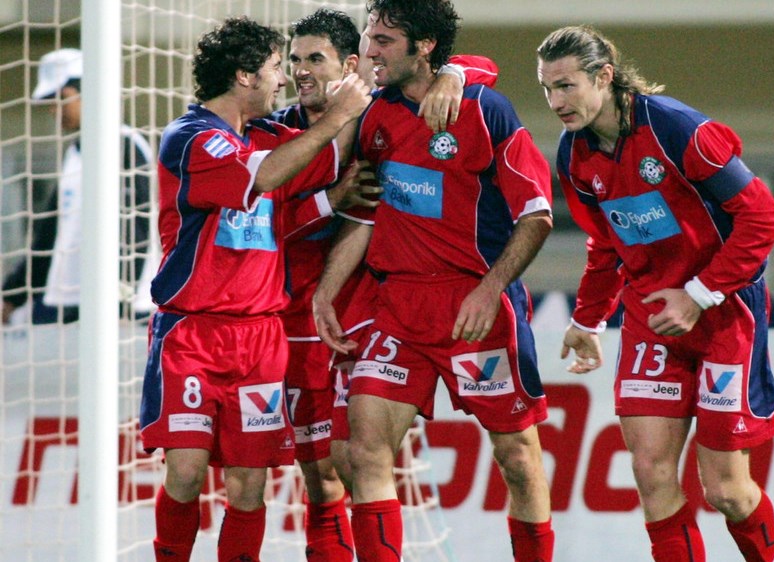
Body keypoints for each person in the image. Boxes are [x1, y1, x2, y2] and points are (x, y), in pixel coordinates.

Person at [312, 1, 555, 561]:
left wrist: (490, 288)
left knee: (518, 458)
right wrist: (327, 289)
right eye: (370, 37)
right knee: (365, 452)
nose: (370, 51)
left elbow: (537, 212)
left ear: (424, 47)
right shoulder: (375, 115)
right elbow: (368, 213)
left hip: (474, 306)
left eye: (385, 41)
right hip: (398, 307)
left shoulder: (485, 109)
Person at [538, 25, 774, 562]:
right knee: (650, 473)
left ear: (604, 76)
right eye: (547, 89)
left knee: (726, 491)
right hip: (652, 319)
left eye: (567, 85)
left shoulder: (677, 128)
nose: (556, 102)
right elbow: (607, 241)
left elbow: (762, 216)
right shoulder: (573, 155)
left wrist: (698, 294)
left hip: (724, 315)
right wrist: (588, 319)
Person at [138, 16, 371, 562]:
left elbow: (326, 157)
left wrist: (369, 93)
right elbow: (263, 176)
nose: (284, 79)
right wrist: (340, 114)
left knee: (248, 484)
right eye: (275, 68)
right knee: (187, 473)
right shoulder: (191, 139)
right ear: (244, 76)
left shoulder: (268, 136)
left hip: (261, 339)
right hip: (193, 334)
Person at [270, 8, 497, 560]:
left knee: (353, 458)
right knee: (318, 477)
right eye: (295, 59)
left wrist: (454, 74)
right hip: (294, 317)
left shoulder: (379, 111)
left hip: (365, 311)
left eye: (315, 58)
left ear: (351, 65)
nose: (302, 70)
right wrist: (330, 199)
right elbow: (260, 224)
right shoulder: (278, 133)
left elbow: (484, 65)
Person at [1, 47, 155, 325]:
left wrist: (120, 298)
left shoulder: (125, 147)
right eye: (50, 102)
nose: (54, 110)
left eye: (62, 98)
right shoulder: (75, 153)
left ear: (91, 91)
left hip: (122, 310)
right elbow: (50, 234)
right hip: (72, 301)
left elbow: (136, 231)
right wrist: (12, 295)